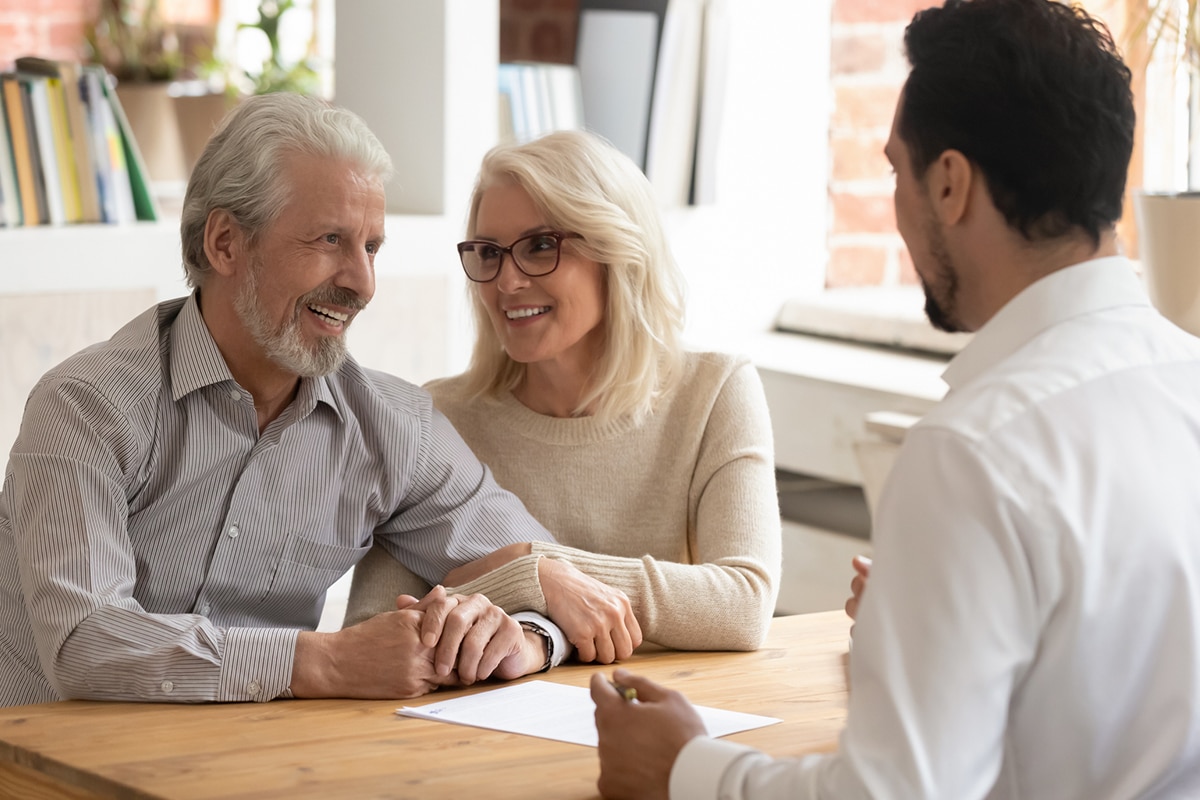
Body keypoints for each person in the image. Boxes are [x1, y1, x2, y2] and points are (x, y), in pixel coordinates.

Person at [589, 1, 1200, 797]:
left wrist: (687, 769)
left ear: (949, 183)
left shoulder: (974, 451)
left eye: (893, 171)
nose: (898, 207)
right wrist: (942, 618)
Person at [0, 92, 585, 707]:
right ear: (225, 243)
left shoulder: (393, 428)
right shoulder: (85, 407)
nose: (362, 282)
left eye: (371, 248)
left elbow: (559, 585)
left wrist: (524, 638)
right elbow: (83, 644)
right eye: (330, 239)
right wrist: (325, 663)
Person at [346, 130, 781, 660]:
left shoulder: (715, 393)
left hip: (657, 717)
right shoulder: (437, 417)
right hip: (476, 732)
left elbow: (743, 604)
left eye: (539, 246)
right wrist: (540, 582)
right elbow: (376, 627)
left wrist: (529, 560)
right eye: (489, 253)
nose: (505, 283)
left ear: (617, 254)